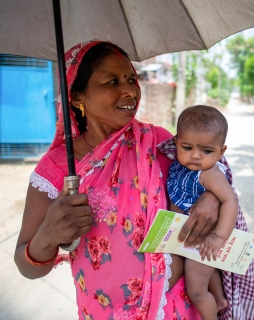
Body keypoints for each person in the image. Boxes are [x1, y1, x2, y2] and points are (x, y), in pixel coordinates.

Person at [14, 41, 222, 320]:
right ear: (77, 97)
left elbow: (212, 170)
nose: (130, 91)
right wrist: (48, 234)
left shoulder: (159, 142)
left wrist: (210, 199)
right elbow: (28, 268)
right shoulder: (56, 168)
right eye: (112, 81)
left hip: (174, 306)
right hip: (104, 312)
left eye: (131, 79)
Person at [166, 105, 238, 320]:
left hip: (203, 238)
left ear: (221, 151)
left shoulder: (209, 173)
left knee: (196, 290)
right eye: (187, 147)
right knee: (206, 271)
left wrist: (218, 237)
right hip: (186, 235)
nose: (196, 156)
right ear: (176, 142)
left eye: (207, 151)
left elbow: (230, 200)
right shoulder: (179, 165)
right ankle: (219, 299)